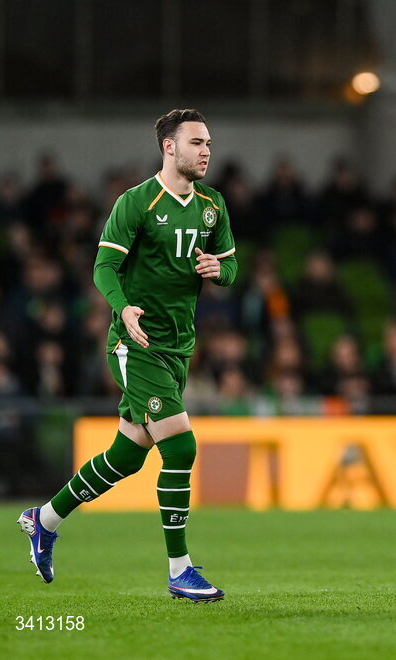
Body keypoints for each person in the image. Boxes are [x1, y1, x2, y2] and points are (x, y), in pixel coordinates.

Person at [17, 109, 237, 602]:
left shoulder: (212, 206)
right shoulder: (136, 202)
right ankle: (180, 569)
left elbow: (231, 266)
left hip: (180, 347)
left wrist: (217, 271)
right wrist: (124, 309)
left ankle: (43, 519)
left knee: (126, 456)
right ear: (169, 147)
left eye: (209, 143)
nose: (206, 151)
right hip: (134, 345)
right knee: (180, 448)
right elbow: (104, 267)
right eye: (196, 142)